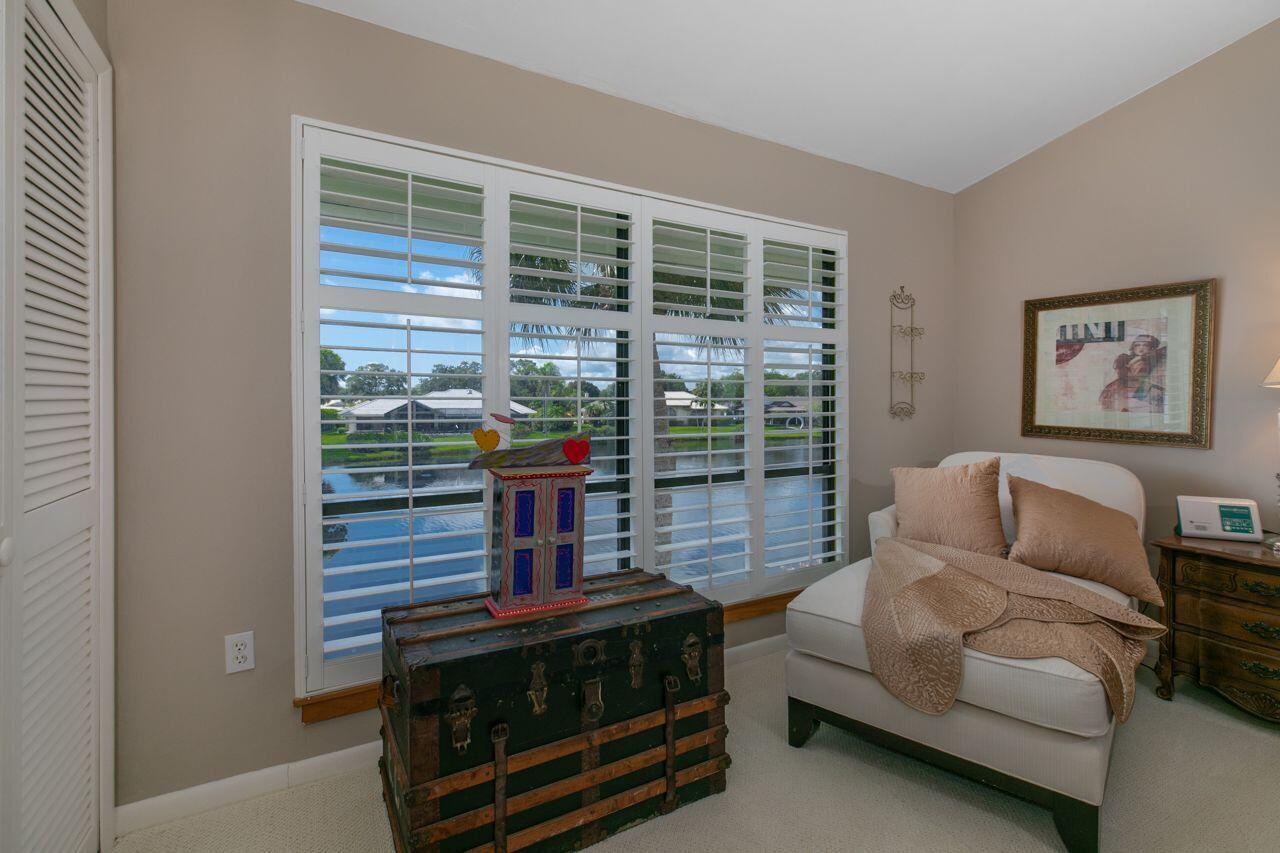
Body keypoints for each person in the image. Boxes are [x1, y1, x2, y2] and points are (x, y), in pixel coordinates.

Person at [1099, 334, 1164, 412]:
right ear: (1133, 347)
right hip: (1126, 387)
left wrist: (1141, 358)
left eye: (1145, 345)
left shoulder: (1156, 360)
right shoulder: (1125, 359)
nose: (1141, 348)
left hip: (1143, 390)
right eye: (1137, 345)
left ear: (1152, 347)